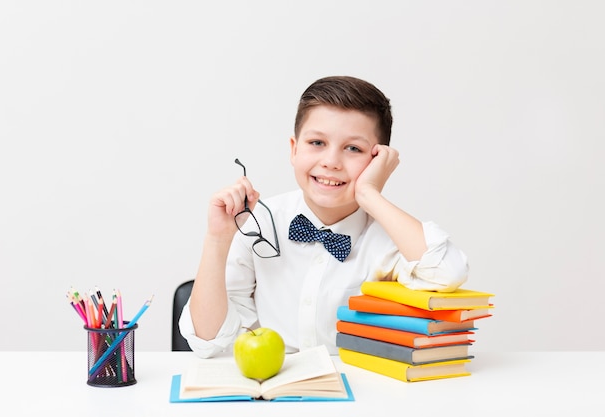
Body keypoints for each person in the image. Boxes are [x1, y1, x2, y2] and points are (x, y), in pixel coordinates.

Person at [179, 75, 469, 358]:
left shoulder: (391, 236)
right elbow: (208, 342)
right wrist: (218, 239)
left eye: (353, 148)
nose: (331, 162)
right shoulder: (257, 222)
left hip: (361, 392)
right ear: (294, 150)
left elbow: (448, 273)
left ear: (377, 160)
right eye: (317, 143)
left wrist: (369, 194)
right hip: (271, 390)